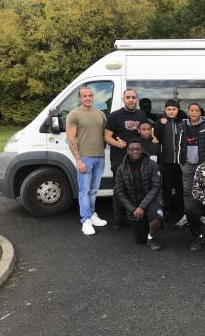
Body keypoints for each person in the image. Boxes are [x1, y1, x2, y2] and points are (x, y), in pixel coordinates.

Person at [65, 87, 108, 235]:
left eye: (90, 95)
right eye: (85, 96)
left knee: (94, 190)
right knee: (84, 190)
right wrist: (78, 160)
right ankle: (85, 221)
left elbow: (104, 136)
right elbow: (70, 140)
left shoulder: (100, 114)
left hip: (99, 158)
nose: (88, 98)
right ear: (79, 98)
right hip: (85, 158)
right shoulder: (74, 114)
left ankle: (92, 214)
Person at [105, 89, 148, 229]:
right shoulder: (114, 116)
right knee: (119, 189)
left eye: (133, 97)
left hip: (138, 158)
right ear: (123, 99)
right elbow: (107, 136)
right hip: (119, 158)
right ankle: (117, 220)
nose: (131, 100)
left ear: (136, 99)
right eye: (128, 97)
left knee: (137, 187)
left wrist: (153, 138)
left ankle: (136, 217)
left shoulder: (142, 115)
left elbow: (145, 133)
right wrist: (117, 143)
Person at [114, 138, 164, 251]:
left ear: (142, 150)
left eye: (137, 149)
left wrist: (142, 207)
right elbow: (120, 193)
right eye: (132, 149)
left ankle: (152, 237)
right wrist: (133, 209)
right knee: (140, 240)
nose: (135, 151)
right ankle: (146, 224)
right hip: (134, 205)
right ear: (127, 151)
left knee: (156, 221)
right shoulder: (121, 169)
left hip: (151, 201)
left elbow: (156, 187)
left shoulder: (152, 165)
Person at [175, 103, 205, 228]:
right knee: (187, 191)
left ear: (200, 113)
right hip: (187, 164)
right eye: (192, 110)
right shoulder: (182, 125)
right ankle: (187, 214)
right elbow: (178, 144)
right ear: (188, 112)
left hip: (201, 164)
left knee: (202, 190)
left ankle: (201, 214)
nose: (194, 112)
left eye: (197, 110)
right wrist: (181, 162)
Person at [154, 99, 185, 225]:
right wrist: (161, 124)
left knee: (180, 188)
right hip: (165, 161)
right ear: (165, 110)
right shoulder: (160, 122)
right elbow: (157, 138)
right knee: (166, 188)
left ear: (178, 110)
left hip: (179, 161)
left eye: (174, 109)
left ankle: (182, 211)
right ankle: (166, 211)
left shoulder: (182, 122)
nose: (171, 111)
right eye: (169, 109)